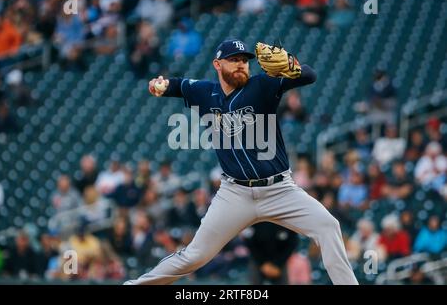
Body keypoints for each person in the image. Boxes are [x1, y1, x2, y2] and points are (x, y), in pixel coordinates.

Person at [124, 39, 358, 285]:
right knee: (195, 255)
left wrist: (292, 65)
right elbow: (179, 85)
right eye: (234, 59)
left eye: (245, 61)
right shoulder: (205, 92)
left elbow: (310, 76)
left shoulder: (262, 85)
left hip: (279, 190)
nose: (241, 65)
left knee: (328, 226)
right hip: (234, 194)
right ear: (217, 64)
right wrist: (160, 85)